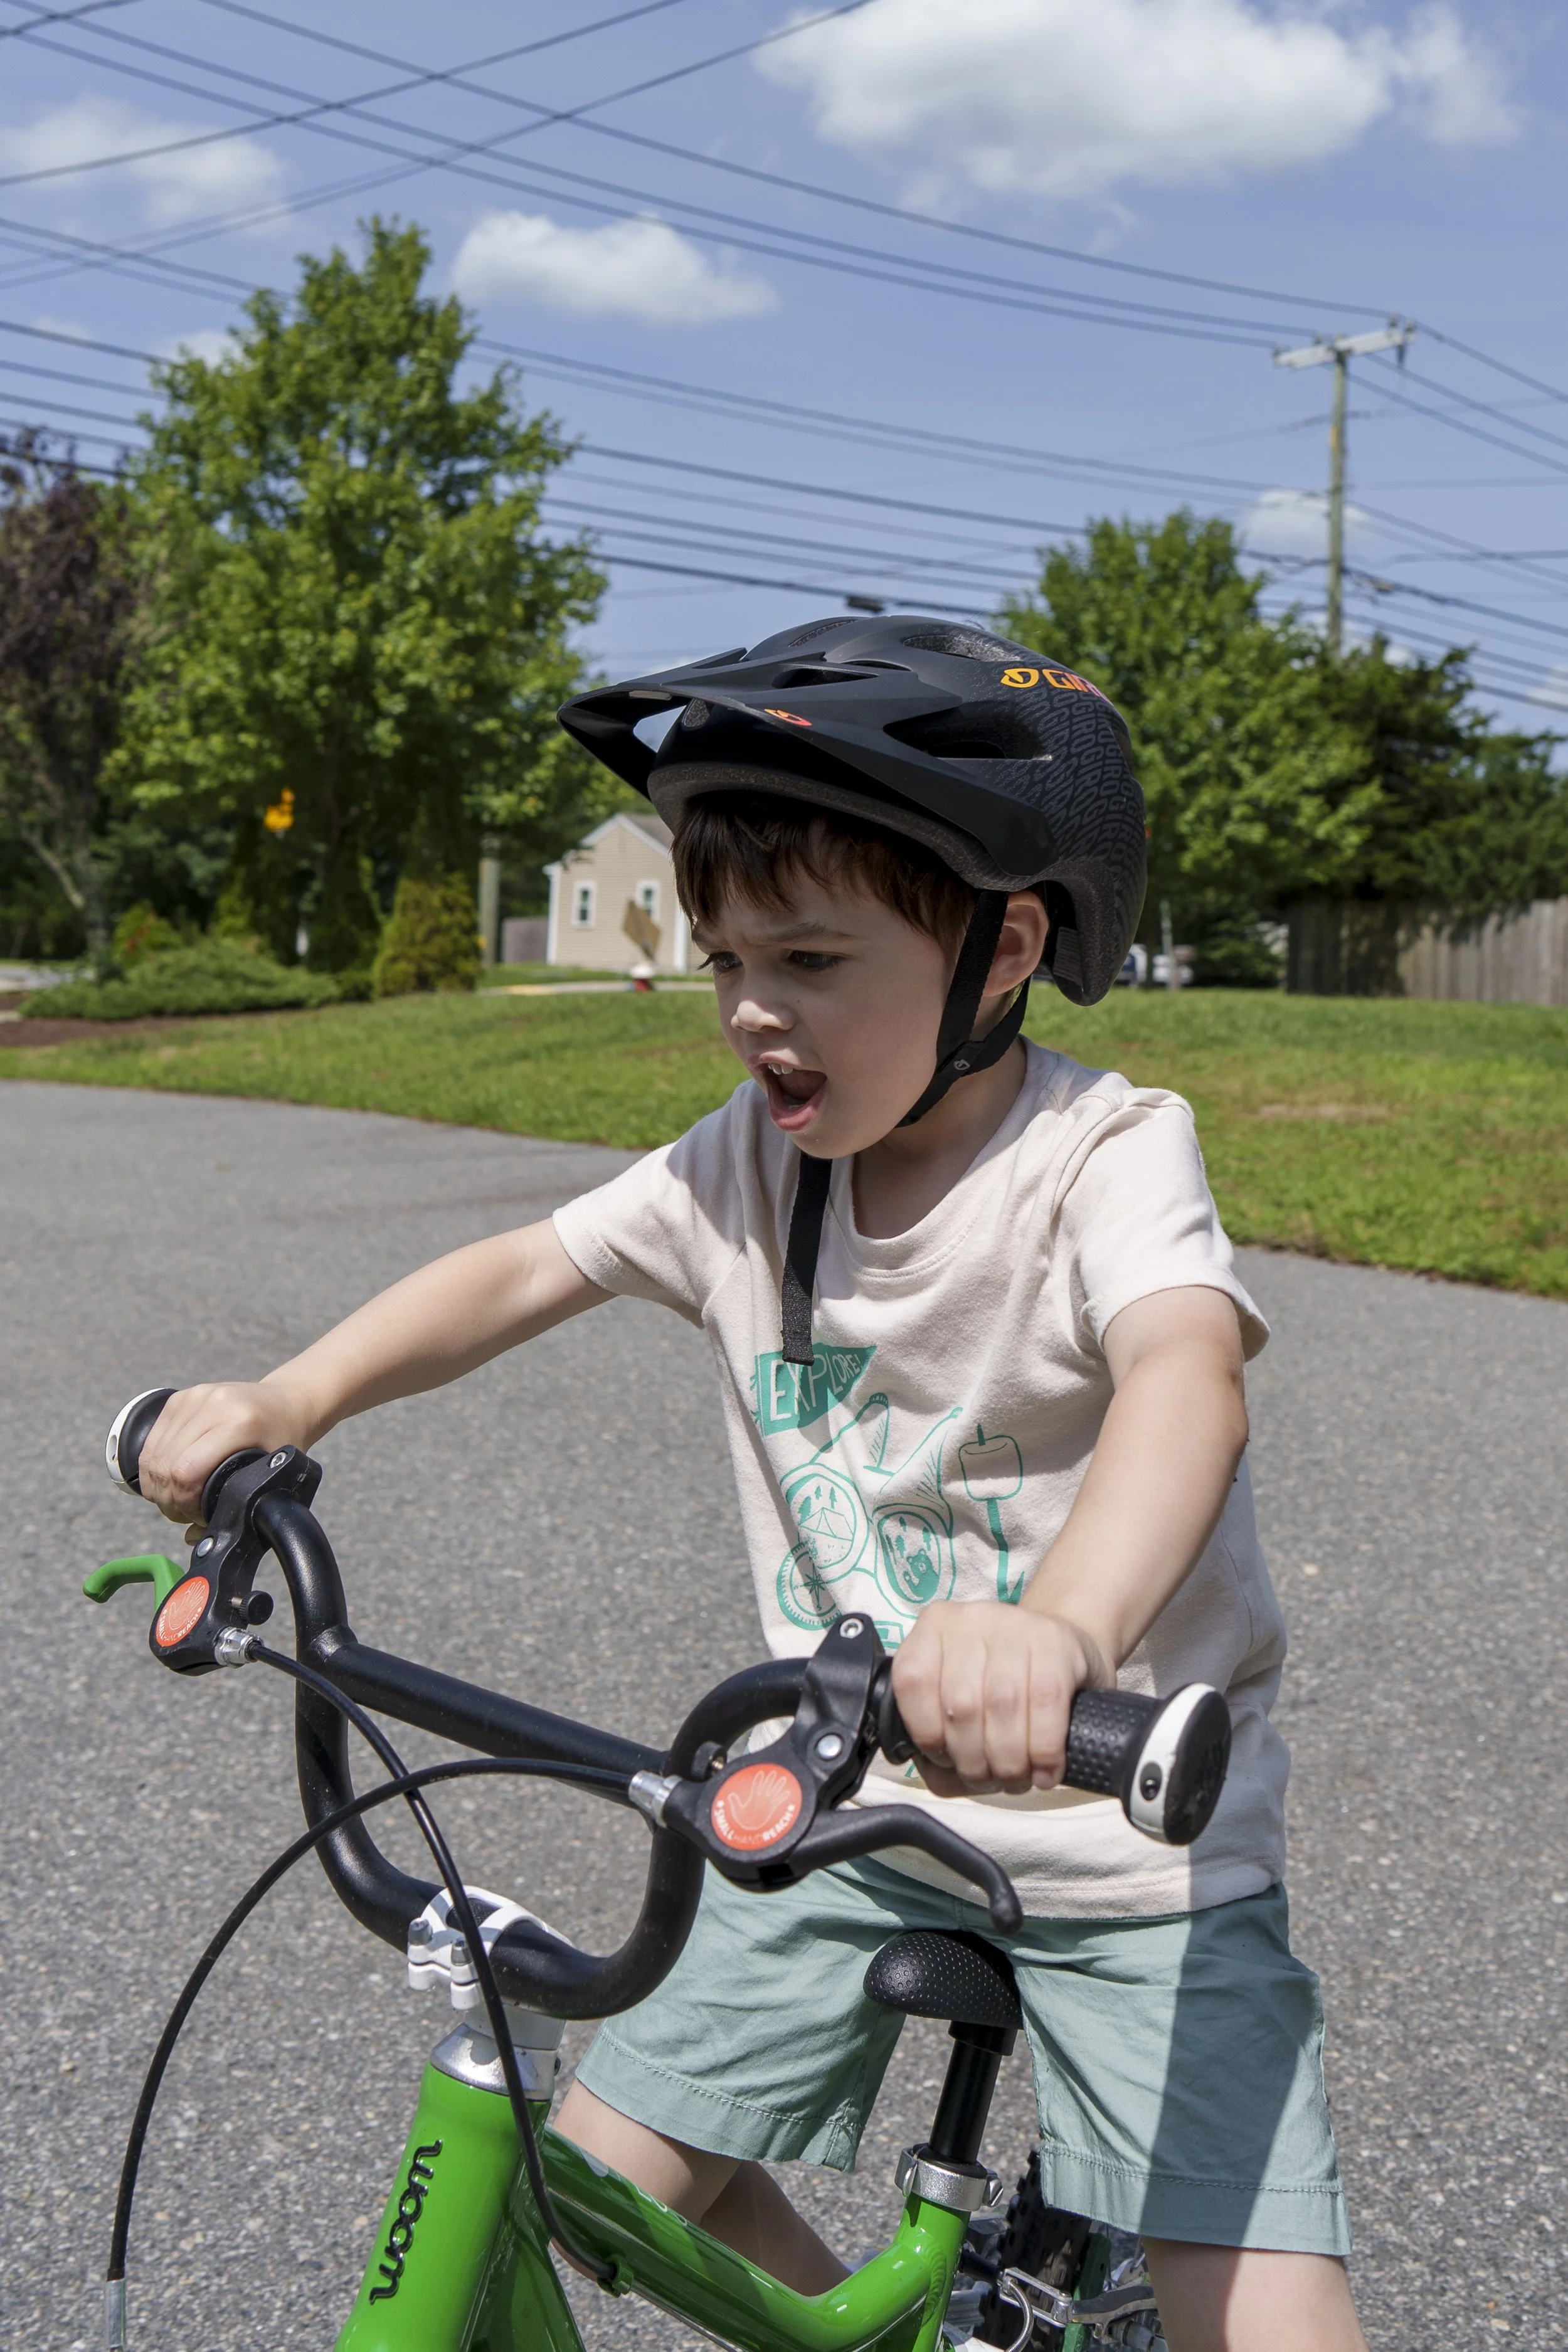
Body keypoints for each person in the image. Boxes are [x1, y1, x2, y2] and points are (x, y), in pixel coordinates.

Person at [135, 616, 1366, 2352]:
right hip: (850, 1817)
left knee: (1261, 2310)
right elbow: (515, 1269)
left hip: (1124, 1842)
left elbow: (1187, 1376)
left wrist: (1058, 1631)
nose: (746, 1013)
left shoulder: (1103, 1154)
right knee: (579, 2177)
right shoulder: (746, 1169)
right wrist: (289, 1389)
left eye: (807, 955)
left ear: (1001, 945)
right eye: (721, 956)